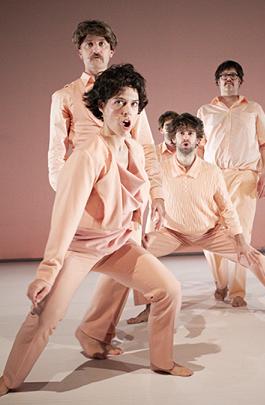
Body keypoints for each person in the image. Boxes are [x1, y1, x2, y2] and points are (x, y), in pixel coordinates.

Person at [0, 65, 192, 398]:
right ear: (101, 106)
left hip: (117, 244)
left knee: (168, 289)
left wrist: (139, 230)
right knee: (47, 314)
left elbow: (137, 197)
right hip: (80, 247)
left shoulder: (133, 149)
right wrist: (47, 272)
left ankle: (162, 361)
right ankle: (8, 379)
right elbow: (65, 216)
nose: (128, 111)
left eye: (134, 104)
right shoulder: (87, 155)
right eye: (119, 102)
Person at [75, 113, 265, 357]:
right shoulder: (159, 168)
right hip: (171, 233)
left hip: (210, 232)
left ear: (199, 139)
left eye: (191, 133)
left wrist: (240, 240)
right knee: (127, 259)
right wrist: (141, 231)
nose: (186, 137)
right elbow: (141, 195)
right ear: (173, 139)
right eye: (181, 133)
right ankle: (106, 326)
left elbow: (227, 208)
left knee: (255, 258)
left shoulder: (211, 171)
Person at [48, 19, 164, 223]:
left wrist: (157, 193)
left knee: (129, 242)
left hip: (129, 186)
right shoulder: (64, 96)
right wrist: (68, 190)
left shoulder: (130, 95)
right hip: (86, 184)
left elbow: (146, 146)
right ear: (80, 52)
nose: (96, 49)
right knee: (85, 242)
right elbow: (56, 152)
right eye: (89, 44)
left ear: (111, 51)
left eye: (102, 44)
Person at [198, 60, 265, 307]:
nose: (228, 79)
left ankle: (238, 291)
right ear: (217, 81)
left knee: (241, 233)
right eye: (223, 75)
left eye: (233, 75)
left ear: (241, 80)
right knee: (209, 232)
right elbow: (198, 148)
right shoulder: (205, 111)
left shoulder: (253, 109)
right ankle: (220, 282)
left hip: (244, 176)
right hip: (213, 176)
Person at [127, 111, 179, 325]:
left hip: (189, 216)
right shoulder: (152, 155)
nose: (172, 131)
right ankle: (148, 307)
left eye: (176, 127)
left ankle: (225, 288)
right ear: (160, 130)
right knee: (143, 255)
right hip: (160, 216)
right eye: (168, 127)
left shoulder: (192, 151)